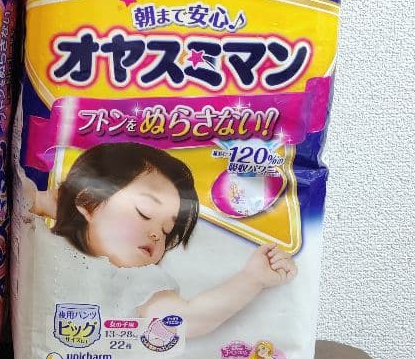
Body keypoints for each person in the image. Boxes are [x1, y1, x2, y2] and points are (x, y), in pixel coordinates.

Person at [21, 142, 296, 338]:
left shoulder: (136, 280)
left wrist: (251, 279)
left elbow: (187, 320)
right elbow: (16, 195)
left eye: (167, 230)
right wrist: (50, 203)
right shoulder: (44, 237)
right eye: (145, 212)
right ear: (88, 201)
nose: (156, 234)